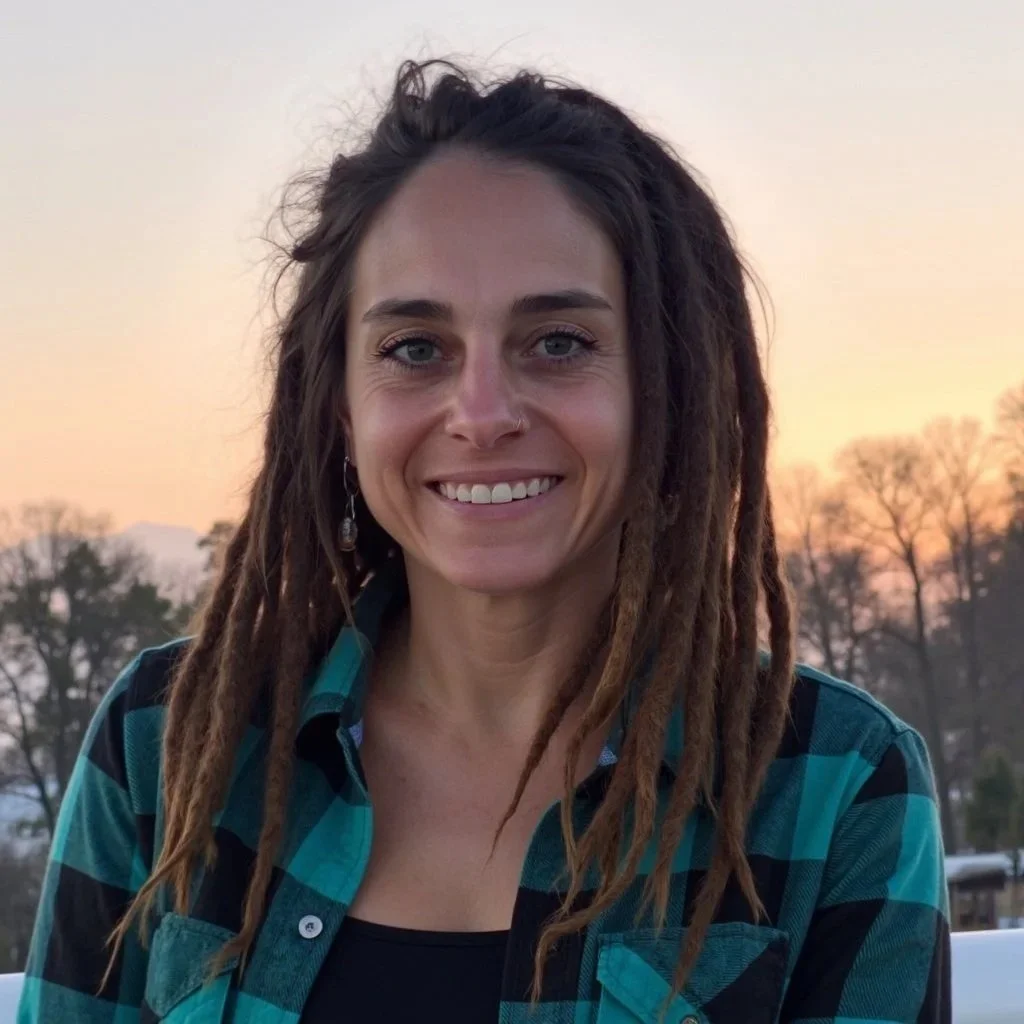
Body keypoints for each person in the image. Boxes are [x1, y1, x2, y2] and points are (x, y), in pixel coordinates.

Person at [18, 60, 950, 1023]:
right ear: (337, 405)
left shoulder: (834, 783)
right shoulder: (168, 744)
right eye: (414, 349)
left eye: (558, 341)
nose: (482, 413)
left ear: (671, 386)